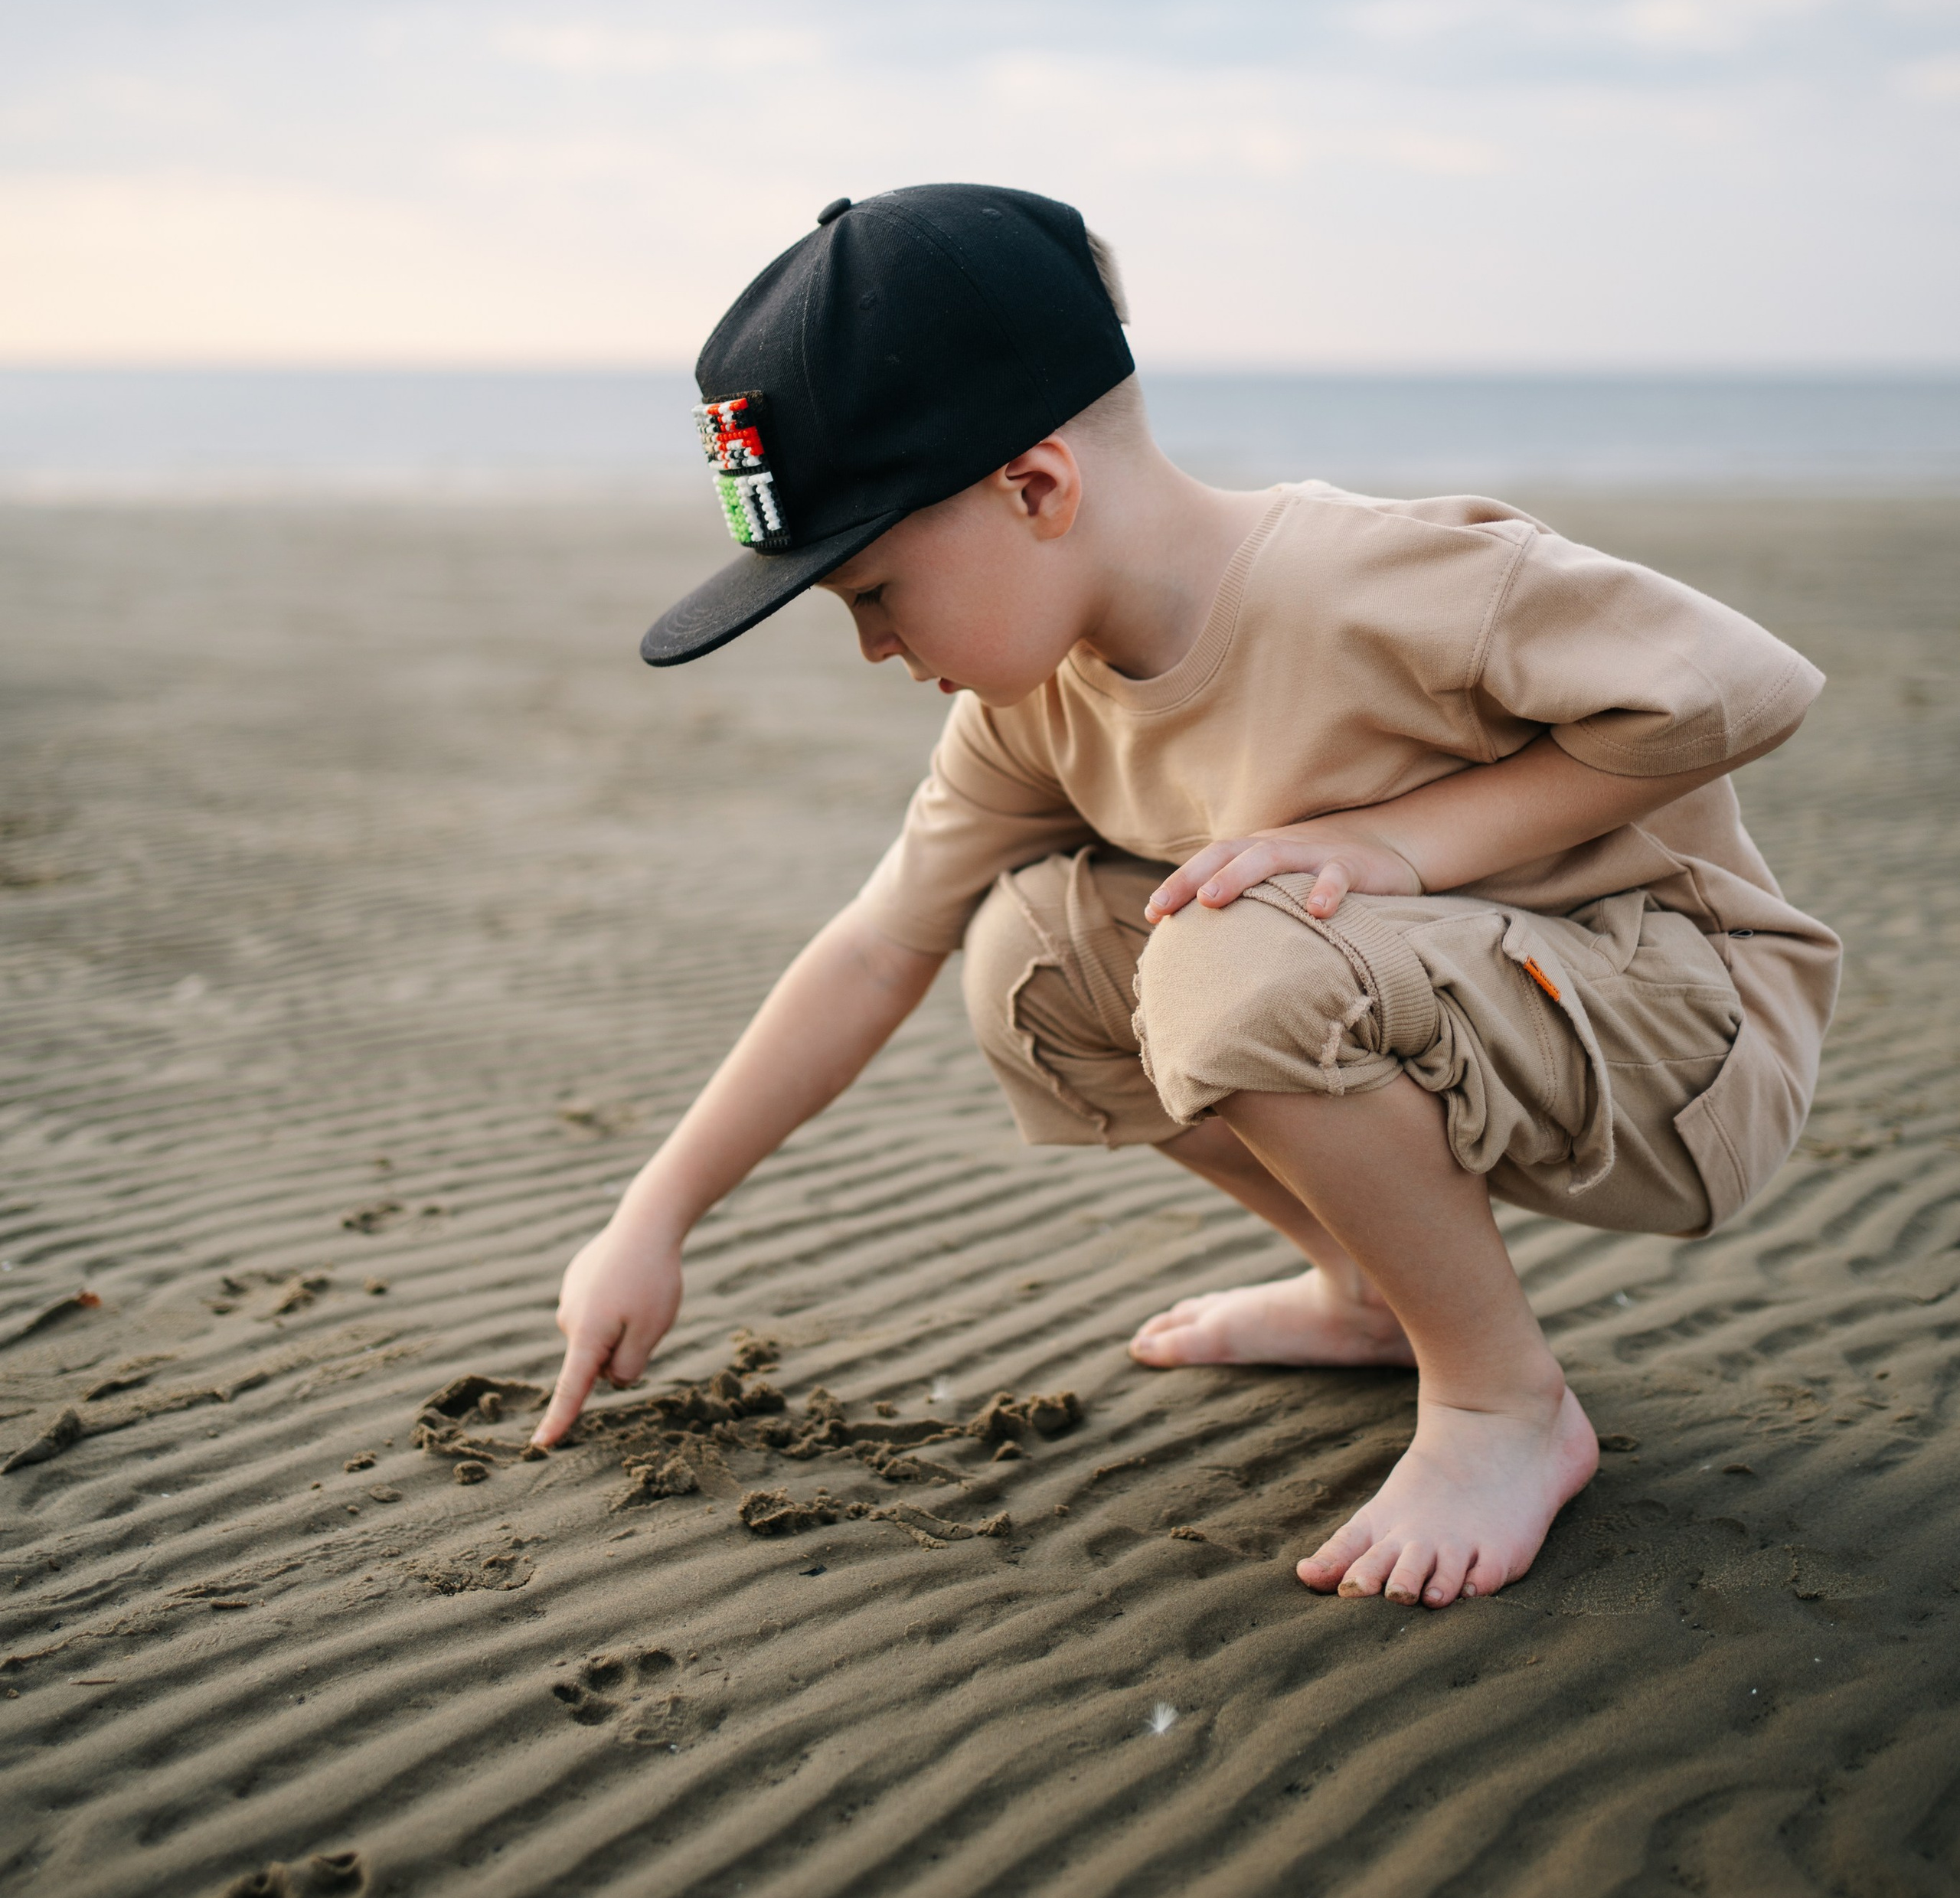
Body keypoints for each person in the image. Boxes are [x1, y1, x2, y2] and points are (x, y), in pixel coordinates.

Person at [532, 184, 1839, 1610]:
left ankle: (1501, 1405)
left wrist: (1396, 846)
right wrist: (651, 1218)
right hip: (1462, 1027)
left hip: (1681, 1041)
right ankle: (1367, 1294)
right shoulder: (1033, 711)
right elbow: (876, 945)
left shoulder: (1374, 577)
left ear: (1034, 488)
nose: (873, 648)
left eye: (873, 592)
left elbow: (1750, 687)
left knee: (1230, 960)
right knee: (1030, 958)